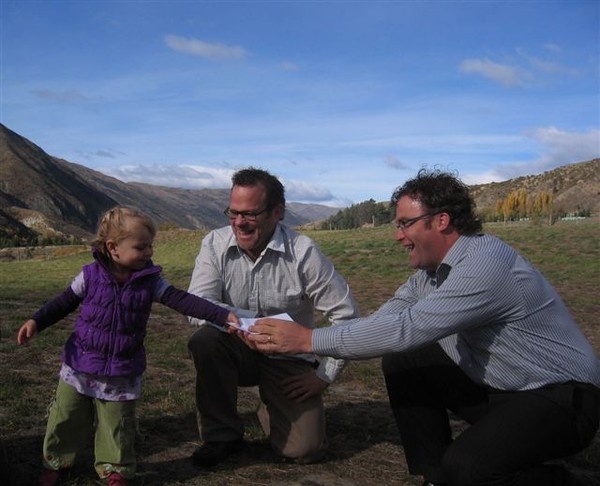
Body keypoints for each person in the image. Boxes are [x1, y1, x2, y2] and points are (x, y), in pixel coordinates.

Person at [248, 169, 600, 486]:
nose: (398, 236)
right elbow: (391, 320)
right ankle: (434, 476)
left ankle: (563, 480)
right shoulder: (430, 275)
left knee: (468, 470)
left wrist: (309, 339)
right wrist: (324, 343)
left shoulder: (484, 267)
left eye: (405, 224)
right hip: (504, 390)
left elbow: (409, 327)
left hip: (565, 399)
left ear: (442, 220)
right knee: (406, 360)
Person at [17, 206, 239, 486]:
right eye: (141, 246)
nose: (149, 253)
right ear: (113, 248)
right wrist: (36, 321)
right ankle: (57, 462)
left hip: (122, 367)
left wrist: (220, 314)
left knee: (117, 424)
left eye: (150, 246)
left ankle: (115, 469)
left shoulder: (151, 282)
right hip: (80, 363)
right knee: (66, 417)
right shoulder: (89, 276)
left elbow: (183, 300)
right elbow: (62, 302)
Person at [186, 167, 360, 467]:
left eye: (250, 214)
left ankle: (273, 405)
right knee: (205, 341)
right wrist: (250, 321)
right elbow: (197, 304)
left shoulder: (303, 252)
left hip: (290, 356)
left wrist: (324, 376)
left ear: (277, 212)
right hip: (235, 346)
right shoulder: (214, 244)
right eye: (233, 212)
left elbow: (347, 316)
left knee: (304, 451)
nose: (239, 222)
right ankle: (221, 436)